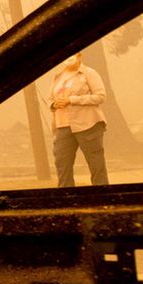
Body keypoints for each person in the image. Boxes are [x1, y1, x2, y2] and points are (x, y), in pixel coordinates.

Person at [48, 51, 108, 187]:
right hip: (62, 126)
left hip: (88, 125)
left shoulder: (89, 73)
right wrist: (53, 104)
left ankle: (102, 197)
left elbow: (100, 96)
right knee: (62, 164)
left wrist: (71, 100)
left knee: (96, 164)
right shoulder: (58, 76)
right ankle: (67, 199)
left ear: (79, 56)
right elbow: (49, 98)